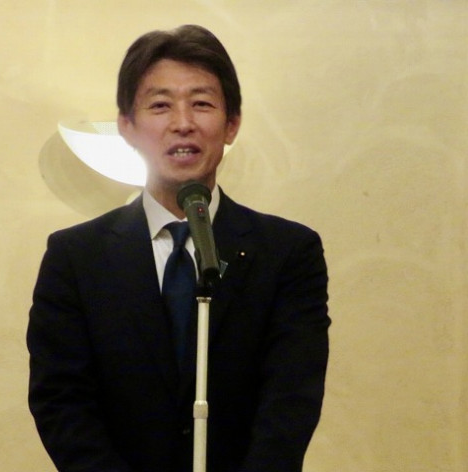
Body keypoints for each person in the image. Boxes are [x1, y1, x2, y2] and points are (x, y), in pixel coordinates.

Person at [27, 24, 330, 472]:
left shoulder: (288, 253)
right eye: (160, 105)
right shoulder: (76, 257)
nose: (182, 123)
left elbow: (291, 401)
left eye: (202, 103)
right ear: (127, 126)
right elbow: (61, 402)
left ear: (231, 124)